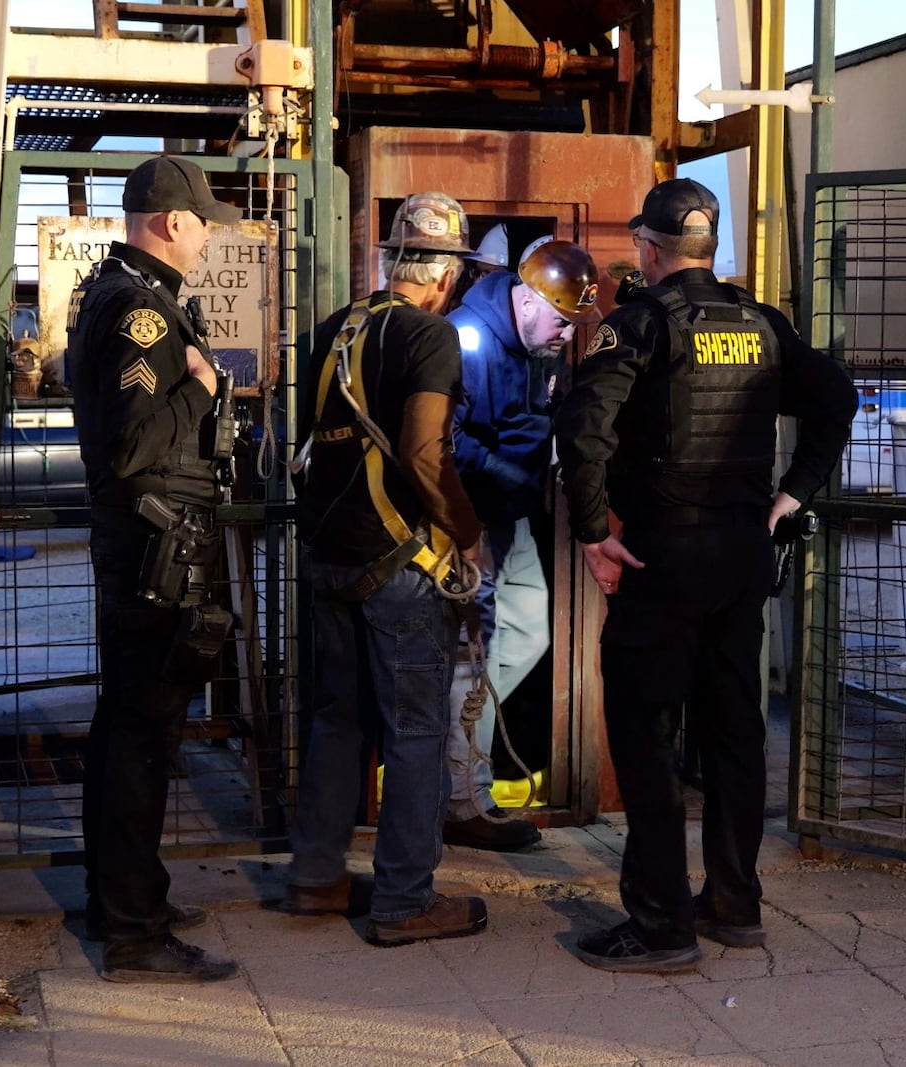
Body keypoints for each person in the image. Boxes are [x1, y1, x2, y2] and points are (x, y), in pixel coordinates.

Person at [554, 177, 856, 973]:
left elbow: (583, 433)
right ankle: (732, 900)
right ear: (710, 250)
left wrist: (591, 536)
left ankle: (659, 924)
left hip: (664, 557)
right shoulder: (761, 324)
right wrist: (790, 498)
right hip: (742, 557)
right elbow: (838, 399)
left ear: (650, 251)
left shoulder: (640, 325)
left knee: (649, 739)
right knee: (734, 732)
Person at [288, 192, 491, 947]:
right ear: (443, 275)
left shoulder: (331, 333)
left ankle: (317, 877)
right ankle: (405, 898)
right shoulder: (430, 335)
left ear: (394, 259)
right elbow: (423, 451)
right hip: (400, 562)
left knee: (339, 719)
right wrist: (465, 533)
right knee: (416, 728)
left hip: (329, 556)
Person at [69, 155, 242, 983]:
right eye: (203, 222)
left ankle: (118, 899)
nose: (207, 236)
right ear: (172, 222)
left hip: (146, 550)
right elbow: (135, 449)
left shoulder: (124, 297)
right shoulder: (141, 313)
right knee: (143, 739)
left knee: (124, 729)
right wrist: (203, 387)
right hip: (155, 553)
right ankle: (135, 935)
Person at [441, 238, 599, 851]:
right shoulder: (467, 341)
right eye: (561, 320)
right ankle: (462, 799)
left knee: (527, 632)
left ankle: (459, 752)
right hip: (475, 522)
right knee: (471, 658)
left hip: (513, 517)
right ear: (527, 299)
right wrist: (499, 484)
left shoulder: (536, 340)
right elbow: (442, 440)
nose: (565, 335)